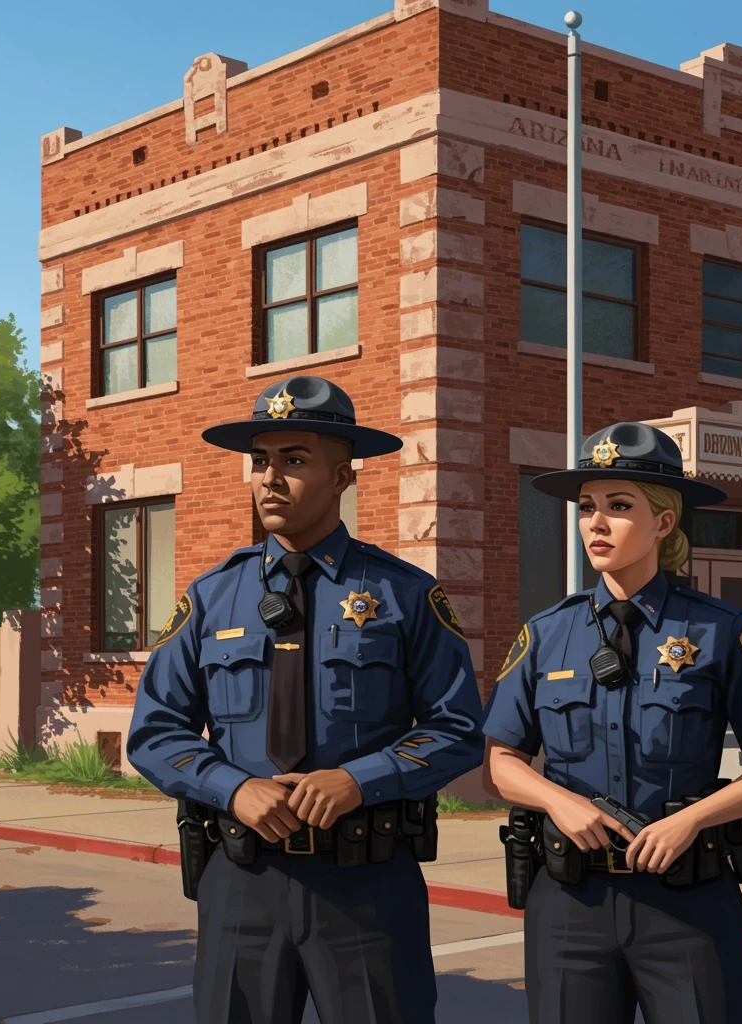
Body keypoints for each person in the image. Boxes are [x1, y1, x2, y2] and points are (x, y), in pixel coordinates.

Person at [126, 374, 485, 1024]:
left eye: (293, 461)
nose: (269, 478)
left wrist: (359, 779)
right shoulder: (212, 598)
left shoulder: (404, 594)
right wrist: (233, 788)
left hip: (367, 883)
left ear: (343, 476)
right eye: (260, 461)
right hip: (242, 884)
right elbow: (156, 734)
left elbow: (457, 728)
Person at [482, 421, 742, 1024]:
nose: (596, 524)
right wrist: (558, 802)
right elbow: (499, 763)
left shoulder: (722, 630)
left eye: (619, 506)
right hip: (569, 903)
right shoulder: (546, 634)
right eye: (587, 507)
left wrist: (690, 820)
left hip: (687, 902)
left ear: (663, 522)